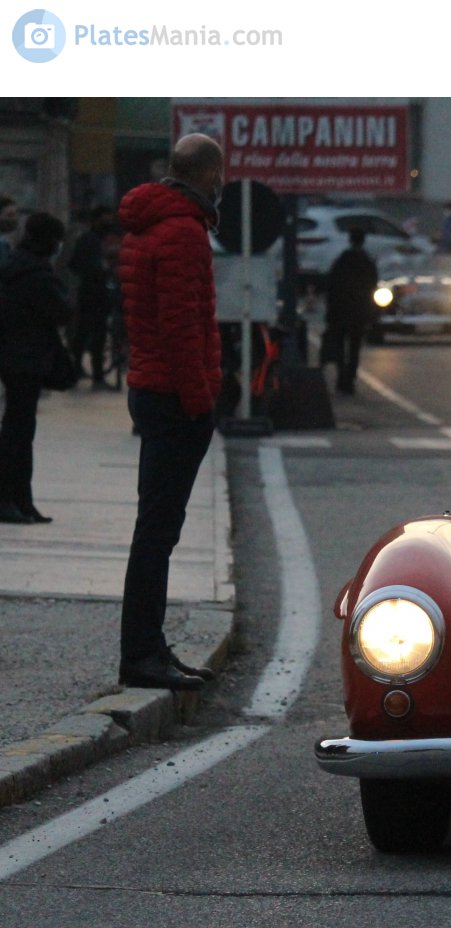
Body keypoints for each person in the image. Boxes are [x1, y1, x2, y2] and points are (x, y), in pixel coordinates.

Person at [115, 132, 225, 691]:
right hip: (174, 396)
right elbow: (183, 327)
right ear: (209, 174)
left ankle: (150, 646)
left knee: (155, 528)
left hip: (151, 387)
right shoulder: (182, 231)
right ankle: (140, 654)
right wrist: (202, 400)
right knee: (157, 532)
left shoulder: (147, 224)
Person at [0, 212, 71, 525]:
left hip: (10, 356)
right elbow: (62, 311)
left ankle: (20, 500)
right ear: (51, 241)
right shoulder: (39, 276)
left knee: (17, 429)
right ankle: (11, 499)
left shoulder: (11, 266)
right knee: (18, 433)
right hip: (27, 359)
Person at [322, 229, 379, 395]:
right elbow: (372, 287)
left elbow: (331, 286)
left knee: (339, 345)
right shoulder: (367, 262)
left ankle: (341, 376)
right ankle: (350, 379)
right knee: (354, 348)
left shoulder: (341, 261)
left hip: (340, 311)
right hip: (359, 312)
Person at [68, 205, 117, 389]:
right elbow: (77, 264)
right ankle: (94, 375)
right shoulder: (90, 240)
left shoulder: (95, 239)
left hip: (92, 292)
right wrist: (97, 270)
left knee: (86, 332)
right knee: (95, 333)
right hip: (93, 292)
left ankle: (78, 369)